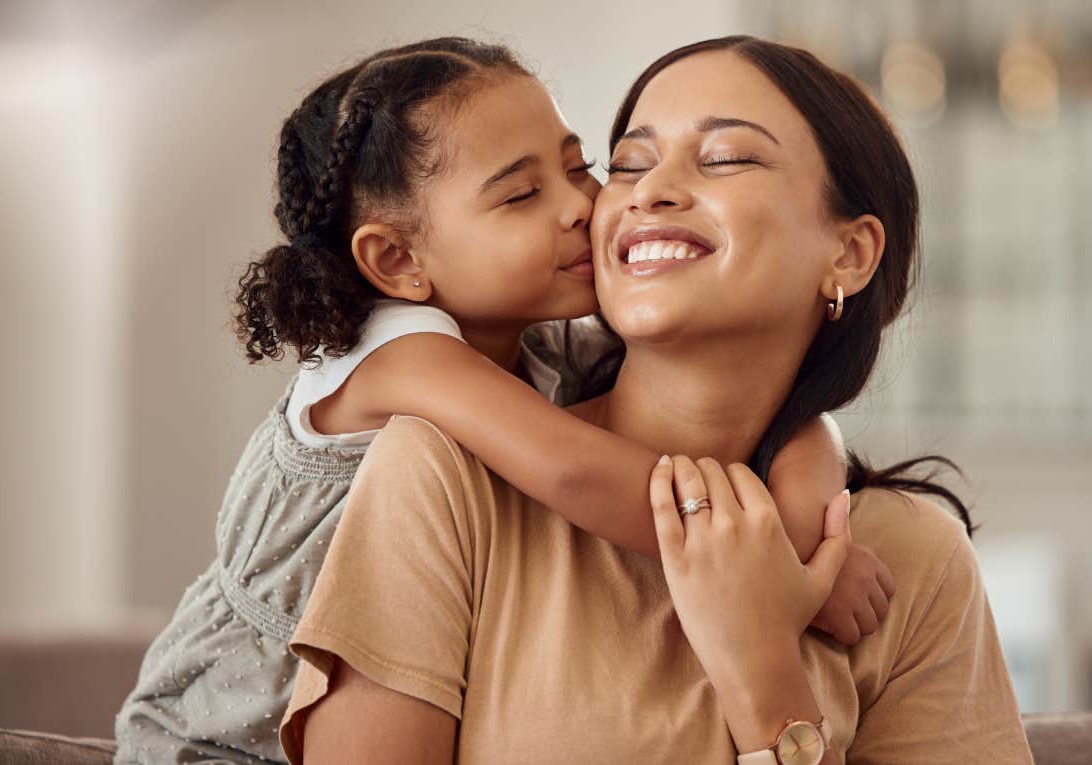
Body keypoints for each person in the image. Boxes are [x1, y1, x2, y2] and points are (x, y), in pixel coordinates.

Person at [114, 37, 890, 765]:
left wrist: (810, 490)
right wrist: (778, 559)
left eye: (582, 165)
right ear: (398, 259)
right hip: (214, 738)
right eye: (521, 195)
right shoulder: (403, 360)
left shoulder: (540, 345)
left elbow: (777, 408)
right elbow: (582, 473)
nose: (582, 205)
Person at [280, 35, 1033, 764]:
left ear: (849, 252)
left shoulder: (912, 560)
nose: (646, 191)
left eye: (725, 158)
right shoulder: (442, 473)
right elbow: (577, 472)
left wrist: (765, 676)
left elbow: (807, 428)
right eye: (631, 162)